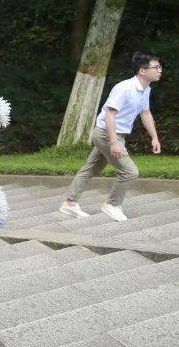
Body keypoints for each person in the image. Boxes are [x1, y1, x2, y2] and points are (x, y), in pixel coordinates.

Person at [61, 52, 163, 221]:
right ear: (142, 70)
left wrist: (154, 137)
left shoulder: (145, 89)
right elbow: (110, 115)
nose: (160, 70)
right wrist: (114, 143)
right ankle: (112, 205)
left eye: (160, 67)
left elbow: (145, 113)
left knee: (91, 169)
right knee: (130, 171)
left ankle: (69, 204)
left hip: (114, 134)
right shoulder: (124, 88)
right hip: (107, 134)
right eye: (156, 67)